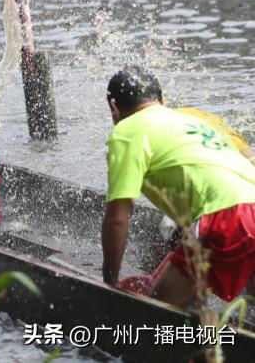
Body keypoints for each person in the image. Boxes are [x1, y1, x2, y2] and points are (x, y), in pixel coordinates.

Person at [101, 66, 255, 306]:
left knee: (155, 313)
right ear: (162, 100)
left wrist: (110, 282)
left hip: (228, 217)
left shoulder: (126, 131)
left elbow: (117, 219)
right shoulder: (194, 119)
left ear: (114, 109)